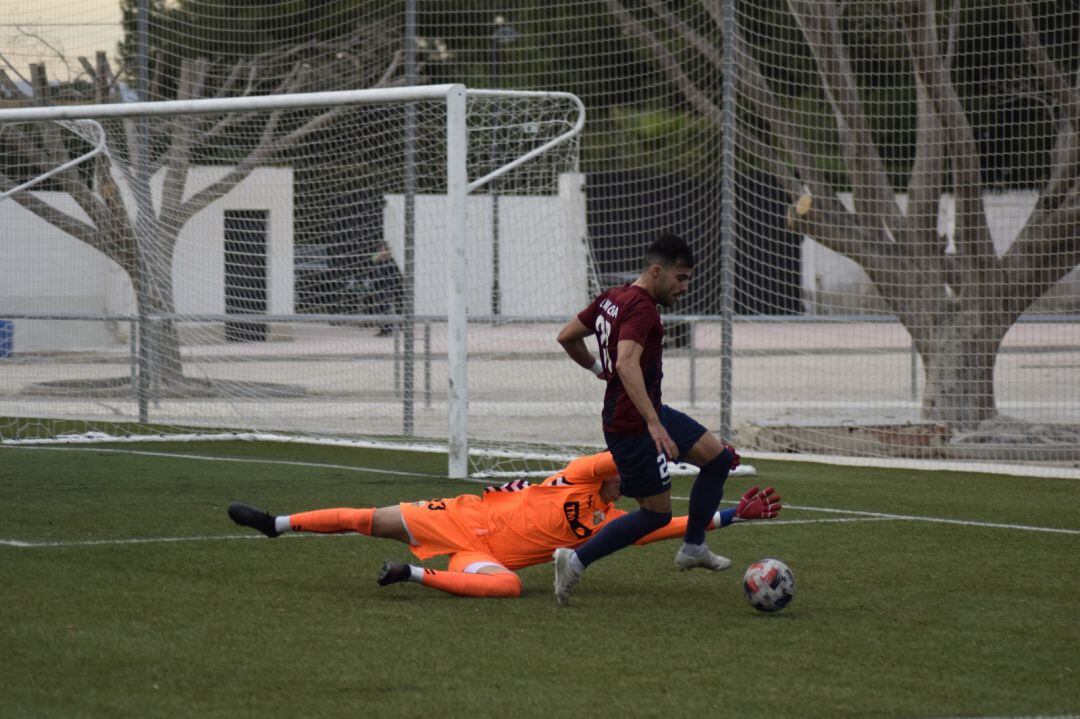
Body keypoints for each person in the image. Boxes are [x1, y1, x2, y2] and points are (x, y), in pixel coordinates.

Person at [227, 451, 781, 599]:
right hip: (464, 517)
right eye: (631, 475)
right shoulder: (579, 475)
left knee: (510, 586)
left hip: (483, 554)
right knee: (367, 518)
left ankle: (411, 577)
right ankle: (275, 524)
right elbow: (617, 453)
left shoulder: (616, 521)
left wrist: (732, 515)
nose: (628, 482)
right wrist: (660, 450)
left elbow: (673, 523)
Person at [553, 233, 738, 605]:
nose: (685, 287)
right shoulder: (641, 308)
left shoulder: (613, 297)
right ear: (657, 271)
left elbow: (567, 336)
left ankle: (694, 547)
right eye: (681, 278)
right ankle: (574, 560)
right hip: (632, 424)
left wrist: (596, 370)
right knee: (654, 515)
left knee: (717, 459)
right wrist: (653, 424)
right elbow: (624, 362)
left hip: (644, 411)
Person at [369, 241, 403, 336]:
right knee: (379, 310)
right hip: (378, 289)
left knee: (386, 308)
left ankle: (388, 329)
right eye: (379, 249)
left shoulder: (391, 262)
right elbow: (373, 275)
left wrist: (395, 288)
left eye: (382, 249)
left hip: (388, 288)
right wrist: (372, 288)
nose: (380, 251)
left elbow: (397, 276)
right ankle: (383, 329)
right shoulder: (378, 262)